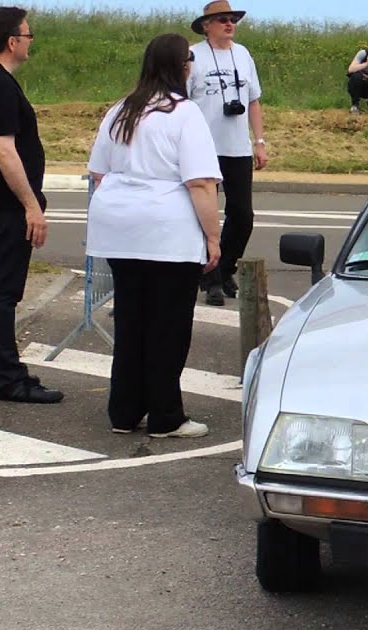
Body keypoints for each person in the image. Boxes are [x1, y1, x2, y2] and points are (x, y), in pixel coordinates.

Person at [86, 33, 223, 439]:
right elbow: (200, 183)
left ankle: (124, 411)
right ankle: (166, 414)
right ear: (183, 67)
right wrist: (213, 238)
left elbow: (98, 171)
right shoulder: (184, 113)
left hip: (119, 226)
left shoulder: (121, 109)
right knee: (168, 324)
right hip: (166, 230)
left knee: (131, 318)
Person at [0, 6, 62, 404]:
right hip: (4, 202)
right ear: (11, 41)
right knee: (1, 290)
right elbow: (5, 152)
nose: (30, 40)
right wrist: (31, 205)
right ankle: (7, 378)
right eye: (28, 34)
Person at [187, 0, 267, 307]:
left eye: (232, 19)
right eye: (222, 19)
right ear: (207, 25)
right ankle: (211, 281)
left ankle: (225, 266)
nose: (229, 23)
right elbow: (181, 99)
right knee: (204, 215)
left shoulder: (243, 54)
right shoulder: (193, 55)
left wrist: (259, 141)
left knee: (243, 215)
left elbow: (254, 100)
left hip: (237, 148)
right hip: (203, 148)